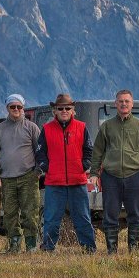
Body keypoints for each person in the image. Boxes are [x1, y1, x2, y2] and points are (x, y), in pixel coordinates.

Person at [89, 89, 139, 254]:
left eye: (127, 101)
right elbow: (98, 151)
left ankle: (133, 251)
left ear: (132, 104)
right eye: (121, 101)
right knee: (110, 214)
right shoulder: (107, 126)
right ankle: (112, 251)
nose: (124, 104)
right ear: (115, 104)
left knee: (136, 214)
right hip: (110, 176)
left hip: (135, 175)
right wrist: (94, 174)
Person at [36, 93, 96, 253]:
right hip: (54, 183)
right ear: (54, 110)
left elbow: (89, 150)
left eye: (67, 108)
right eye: (60, 108)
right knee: (51, 219)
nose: (64, 110)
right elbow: (40, 153)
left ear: (73, 110)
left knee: (82, 217)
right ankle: (48, 247)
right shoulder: (46, 129)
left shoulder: (81, 127)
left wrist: (84, 165)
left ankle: (89, 248)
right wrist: (47, 168)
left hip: (78, 181)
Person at [0, 94, 41, 253]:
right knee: (10, 213)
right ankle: (14, 245)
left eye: (19, 107)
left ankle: (32, 245)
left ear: (23, 108)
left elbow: (40, 152)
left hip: (28, 177)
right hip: (7, 178)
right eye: (13, 107)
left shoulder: (31, 127)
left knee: (30, 212)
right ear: (7, 108)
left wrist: (38, 172)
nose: (16, 109)